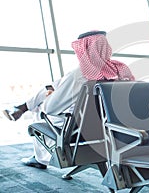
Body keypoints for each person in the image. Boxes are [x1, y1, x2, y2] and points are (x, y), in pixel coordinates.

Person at [2, 30, 135, 169]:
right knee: (55, 86)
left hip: (77, 129)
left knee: (40, 108)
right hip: (106, 128)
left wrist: (50, 96)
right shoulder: (118, 69)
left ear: (84, 49)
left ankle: (39, 158)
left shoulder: (79, 75)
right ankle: (23, 107)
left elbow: (50, 109)